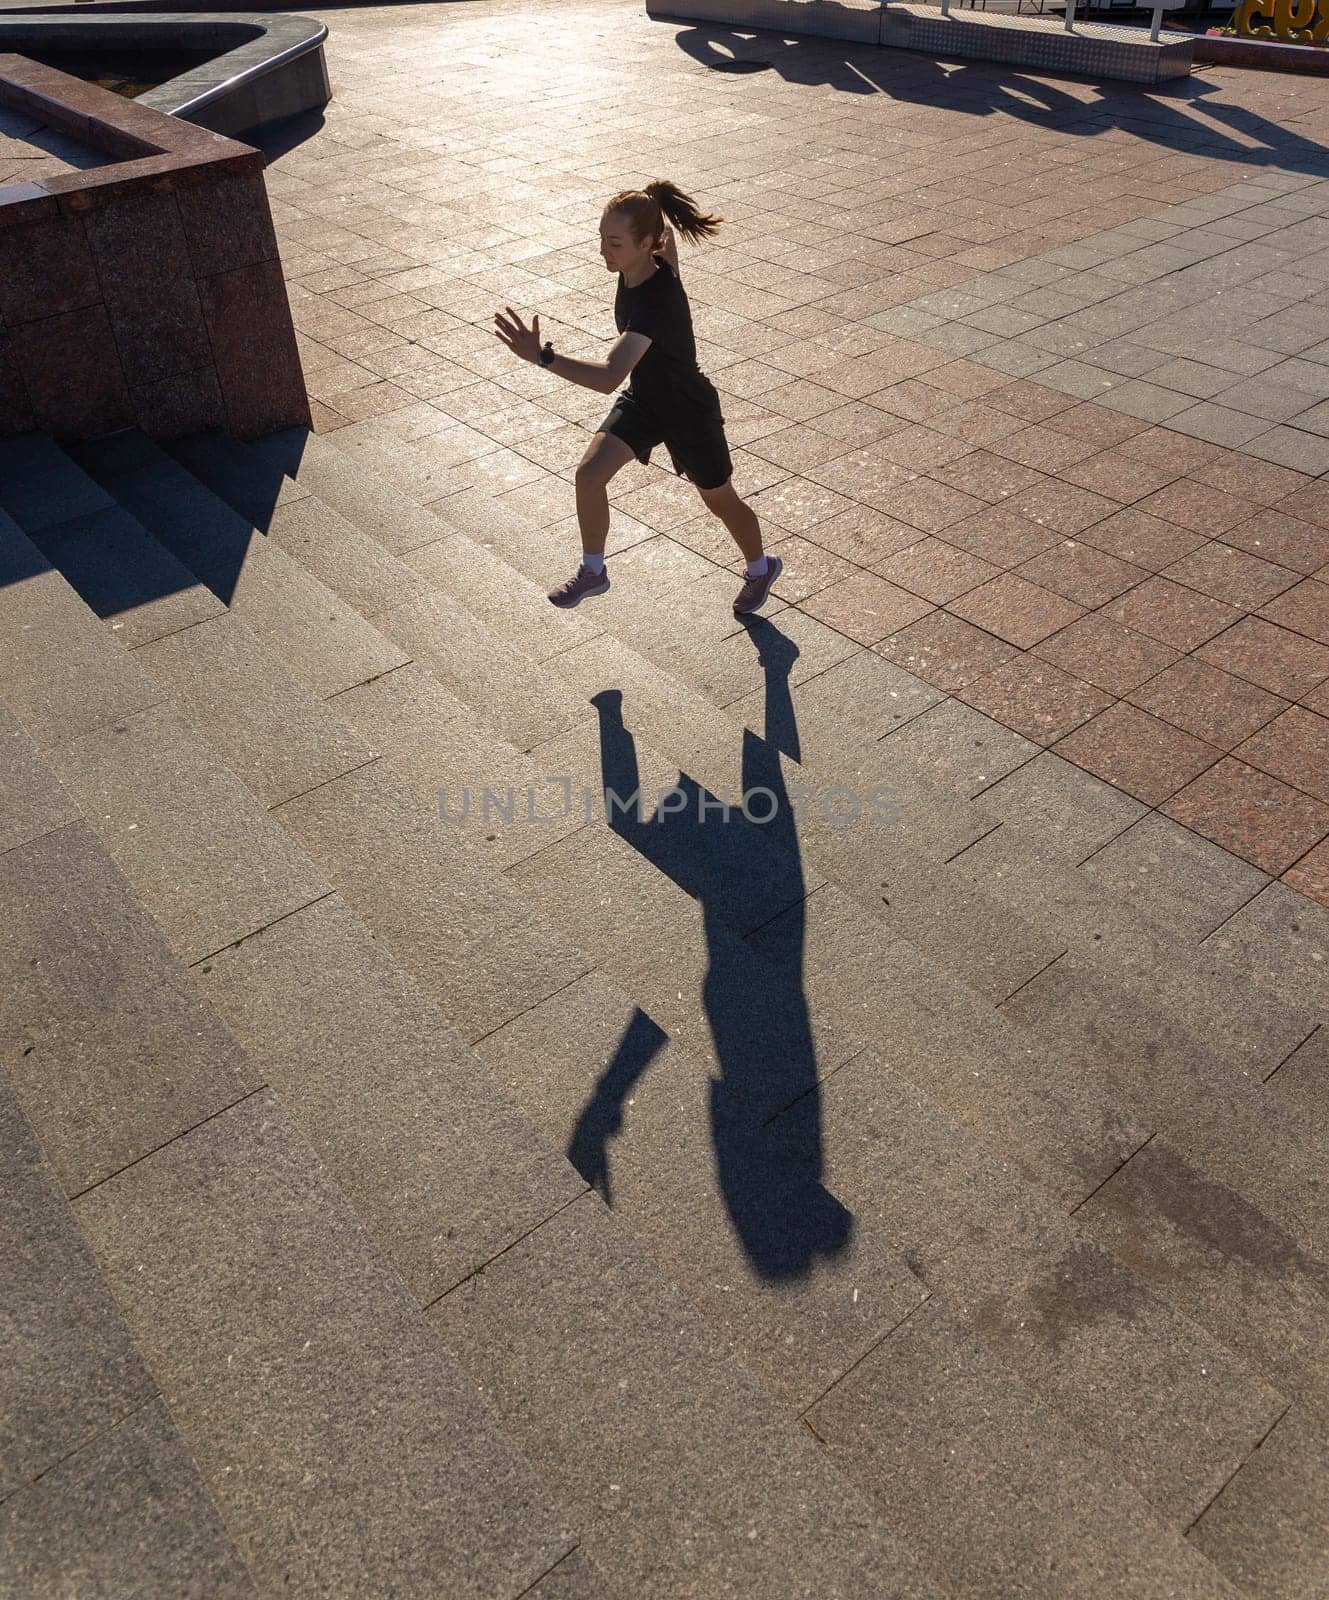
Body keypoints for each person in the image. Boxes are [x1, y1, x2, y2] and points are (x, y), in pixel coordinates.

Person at [493, 179, 782, 616]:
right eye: (602, 240)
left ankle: (761, 568)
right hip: (646, 401)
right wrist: (654, 198)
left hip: (688, 411)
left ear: (646, 243)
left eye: (615, 243)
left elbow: (610, 375)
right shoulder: (647, 263)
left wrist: (542, 357)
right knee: (589, 475)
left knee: (719, 500)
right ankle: (593, 570)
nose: (605, 252)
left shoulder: (656, 300)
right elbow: (665, 241)